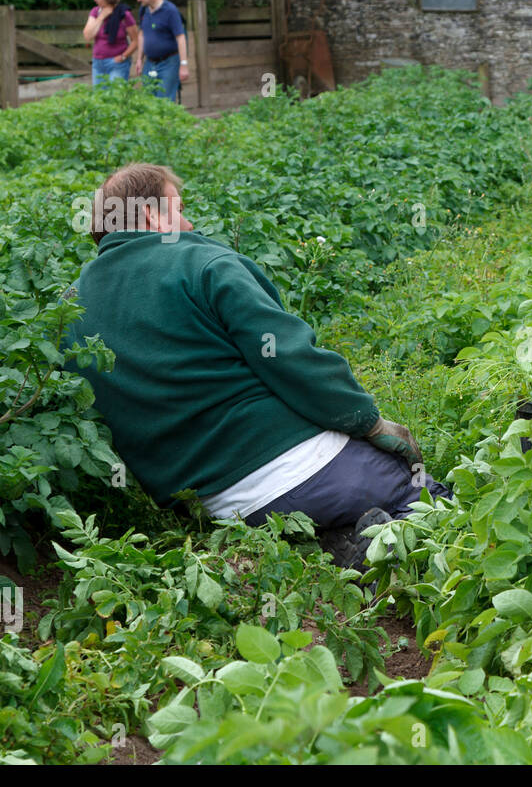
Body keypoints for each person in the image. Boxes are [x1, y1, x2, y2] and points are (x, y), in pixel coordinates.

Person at [62, 163, 451, 568]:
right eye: (179, 210)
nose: (189, 222)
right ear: (150, 214)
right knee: (431, 507)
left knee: (339, 521)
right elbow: (292, 359)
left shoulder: (68, 310)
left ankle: (337, 545)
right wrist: (368, 422)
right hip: (311, 470)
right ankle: (396, 547)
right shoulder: (200, 263)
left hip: (222, 511)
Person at [130, 0, 188, 102]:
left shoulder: (170, 10)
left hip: (169, 62)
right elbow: (142, 34)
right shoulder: (144, 10)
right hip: (150, 63)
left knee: (164, 102)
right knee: (148, 101)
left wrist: (184, 65)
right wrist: (139, 59)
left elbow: (181, 37)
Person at [82, 0, 136, 86]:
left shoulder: (124, 14)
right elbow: (87, 36)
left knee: (115, 97)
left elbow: (135, 41)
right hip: (98, 62)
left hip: (117, 63)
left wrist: (123, 57)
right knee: (99, 99)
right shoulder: (95, 12)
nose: (95, 0)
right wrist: (101, 17)